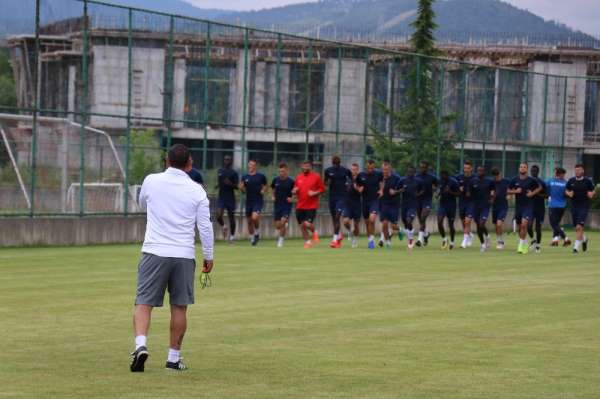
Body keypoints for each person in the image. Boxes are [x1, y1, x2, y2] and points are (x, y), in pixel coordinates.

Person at [131, 144, 214, 373]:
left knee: (143, 302)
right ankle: (173, 358)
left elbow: (142, 204)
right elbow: (205, 227)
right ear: (190, 164)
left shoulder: (151, 181)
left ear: (166, 161)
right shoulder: (197, 190)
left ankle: (140, 345)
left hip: (154, 250)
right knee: (179, 307)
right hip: (184, 254)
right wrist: (209, 257)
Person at [508, 162, 541, 254]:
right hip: (518, 207)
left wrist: (532, 193)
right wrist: (515, 191)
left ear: (527, 169)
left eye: (524, 167)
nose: (522, 168)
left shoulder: (531, 180)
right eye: (521, 167)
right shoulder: (514, 180)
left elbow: (539, 187)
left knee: (524, 224)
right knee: (520, 228)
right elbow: (508, 190)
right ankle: (525, 243)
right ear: (519, 169)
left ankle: (520, 246)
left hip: (528, 206)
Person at [293, 160, 325, 249]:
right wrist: (294, 191)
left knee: (307, 223)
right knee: (302, 225)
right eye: (304, 166)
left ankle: (315, 232)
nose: (305, 168)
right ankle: (307, 242)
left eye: (307, 166)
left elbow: (322, 189)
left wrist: (314, 193)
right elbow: (295, 189)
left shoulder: (316, 177)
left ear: (311, 167)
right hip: (300, 205)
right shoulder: (298, 177)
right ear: (302, 167)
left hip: (311, 206)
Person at [565, 164, 596, 253]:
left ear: (582, 171)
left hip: (584, 207)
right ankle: (584, 239)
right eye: (576, 170)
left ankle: (575, 248)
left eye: (579, 170)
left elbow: (593, 190)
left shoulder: (587, 181)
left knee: (579, 227)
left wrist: (591, 194)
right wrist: (568, 193)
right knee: (577, 228)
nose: (577, 172)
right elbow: (566, 189)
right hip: (574, 207)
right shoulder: (571, 180)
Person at [324, 155, 352, 248]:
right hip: (332, 197)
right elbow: (325, 182)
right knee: (334, 218)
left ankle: (334, 240)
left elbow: (351, 179)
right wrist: (327, 183)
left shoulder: (345, 170)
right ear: (332, 163)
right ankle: (339, 235)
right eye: (334, 164)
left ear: (339, 163)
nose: (335, 165)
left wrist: (348, 185)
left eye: (337, 164)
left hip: (342, 197)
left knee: (337, 216)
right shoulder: (328, 171)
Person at [240, 159, 267, 246]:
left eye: (252, 164)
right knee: (249, 221)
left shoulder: (261, 176)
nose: (250, 166)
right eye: (249, 164)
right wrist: (241, 188)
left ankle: (257, 232)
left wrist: (263, 190)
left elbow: (265, 186)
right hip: (249, 201)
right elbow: (243, 190)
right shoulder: (245, 177)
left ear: (255, 166)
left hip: (258, 201)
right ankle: (252, 237)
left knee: (254, 217)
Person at [358, 160, 383, 249]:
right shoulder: (361, 175)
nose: (370, 170)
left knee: (372, 219)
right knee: (367, 222)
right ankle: (370, 240)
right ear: (366, 167)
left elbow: (381, 183)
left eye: (372, 168)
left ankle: (372, 239)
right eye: (369, 168)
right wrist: (359, 189)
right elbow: (358, 185)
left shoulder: (378, 174)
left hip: (374, 200)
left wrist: (381, 190)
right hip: (365, 201)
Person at [378, 161, 403, 248]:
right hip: (384, 203)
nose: (384, 171)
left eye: (386, 169)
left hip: (394, 204)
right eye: (383, 169)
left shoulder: (397, 178)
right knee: (384, 224)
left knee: (393, 226)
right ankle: (388, 242)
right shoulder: (380, 177)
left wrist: (395, 191)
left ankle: (400, 230)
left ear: (390, 169)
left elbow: (403, 188)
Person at [215, 155, 239, 243]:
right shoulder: (220, 171)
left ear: (231, 161)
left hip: (230, 198)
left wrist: (230, 184)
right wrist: (217, 185)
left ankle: (232, 237)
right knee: (218, 215)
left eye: (228, 160)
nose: (227, 161)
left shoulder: (234, 173)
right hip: (221, 197)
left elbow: (237, 187)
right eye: (225, 160)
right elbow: (220, 182)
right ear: (223, 161)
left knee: (231, 217)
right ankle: (224, 226)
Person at [271, 162, 295, 248]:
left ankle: (280, 240)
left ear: (287, 171)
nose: (281, 173)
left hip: (286, 205)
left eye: (283, 171)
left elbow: (295, 191)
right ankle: (284, 225)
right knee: (278, 226)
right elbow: (273, 189)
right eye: (280, 171)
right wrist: (273, 196)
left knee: (283, 221)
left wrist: (292, 198)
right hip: (277, 205)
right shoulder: (275, 180)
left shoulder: (291, 181)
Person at [472, 165, 495, 252]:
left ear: (484, 172)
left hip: (485, 206)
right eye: (478, 171)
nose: (479, 172)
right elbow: (469, 192)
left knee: (481, 224)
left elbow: (493, 191)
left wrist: (492, 198)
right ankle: (482, 243)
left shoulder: (489, 181)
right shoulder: (473, 181)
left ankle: (487, 238)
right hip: (475, 207)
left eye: (481, 171)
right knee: (478, 226)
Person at [547, 167, 571, 247]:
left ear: (556, 173)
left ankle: (566, 238)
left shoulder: (551, 181)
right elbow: (569, 194)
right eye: (563, 174)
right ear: (561, 174)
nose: (564, 175)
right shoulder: (565, 183)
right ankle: (555, 240)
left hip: (553, 205)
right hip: (562, 206)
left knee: (553, 224)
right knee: (556, 224)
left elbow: (543, 187)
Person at [455, 161, 477, 249]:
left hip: (472, 202)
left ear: (471, 168)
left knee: (468, 221)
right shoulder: (458, 177)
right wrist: (458, 189)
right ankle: (469, 234)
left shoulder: (475, 178)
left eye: (468, 168)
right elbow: (454, 187)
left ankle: (464, 241)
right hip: (462, 201)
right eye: (465, 168)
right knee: (464, 221)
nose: (466, 170)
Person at [416, 161, 438, 247]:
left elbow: (437, 185)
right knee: (421, 220)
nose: (422, 169)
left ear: (427, 168)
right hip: (418, 200)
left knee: (423, 217)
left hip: (427, 200)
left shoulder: (432, 177)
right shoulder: (416, 176)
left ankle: (419, 240)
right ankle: (426, 234)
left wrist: (435, 190)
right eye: (421, 167)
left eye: (424, 167)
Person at [401, 166, 423, 250]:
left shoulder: (418, 181)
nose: (409, 174)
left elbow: (422, 190)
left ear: (414, 173)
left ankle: (410, 240)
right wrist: (399, 191)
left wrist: (418, 194)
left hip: (413, 205)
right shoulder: (402, 180)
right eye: (408, 172)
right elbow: (398, 189)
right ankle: (410, 234)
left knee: (409, 220)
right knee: (405, 222)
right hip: (404, 204)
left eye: (411, 172)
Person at [342, 163, 364, 248]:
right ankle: (350, 231)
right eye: (352, 169)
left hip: (357, 204)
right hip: (347, 204)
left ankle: (355, 240)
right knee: (345, 221)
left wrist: (356, 188)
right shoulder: (347, 179)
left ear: (358, 170)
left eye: (355, 169)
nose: (353, 171)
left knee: (356, 224)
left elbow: (361, 191)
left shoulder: (361, 179)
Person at [437, 170, 460, 250]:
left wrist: (450, 192)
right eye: (441, 175)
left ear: (447, 175)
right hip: (442, 205)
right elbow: (440, 189)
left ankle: (452, 242)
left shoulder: (454, 182)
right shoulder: (440, 181)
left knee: (451, 225)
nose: (443, 177)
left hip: (451, 206)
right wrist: (438, 194)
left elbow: (459, 194)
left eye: (444, 175)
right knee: (439, 222)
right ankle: (444, 239)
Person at [528, 165, 547, 253]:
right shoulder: (527, 181)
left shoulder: (542, 182)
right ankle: (533, 240)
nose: (533, 172)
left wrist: (537, 194)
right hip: (530, 207)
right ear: (530, 171)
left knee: (538, 228)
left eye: (535, 171)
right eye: (532, 171)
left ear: (538, 172)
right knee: (529, 226)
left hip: (540, 208)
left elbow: (547, 195)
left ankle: (538, 246)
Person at [491, 167, 510, 250]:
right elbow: (490, 192)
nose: (496, 177)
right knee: (496, 225)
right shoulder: (492, 182)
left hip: (503, 206)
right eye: (495, 175)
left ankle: (499, 242)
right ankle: (500, 239)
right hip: (495, 206)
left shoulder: (506, 181)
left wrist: (509, 195)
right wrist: (491, 196)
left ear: (500, 173)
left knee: (499, 223)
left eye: (497, 174)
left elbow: (511, 189)